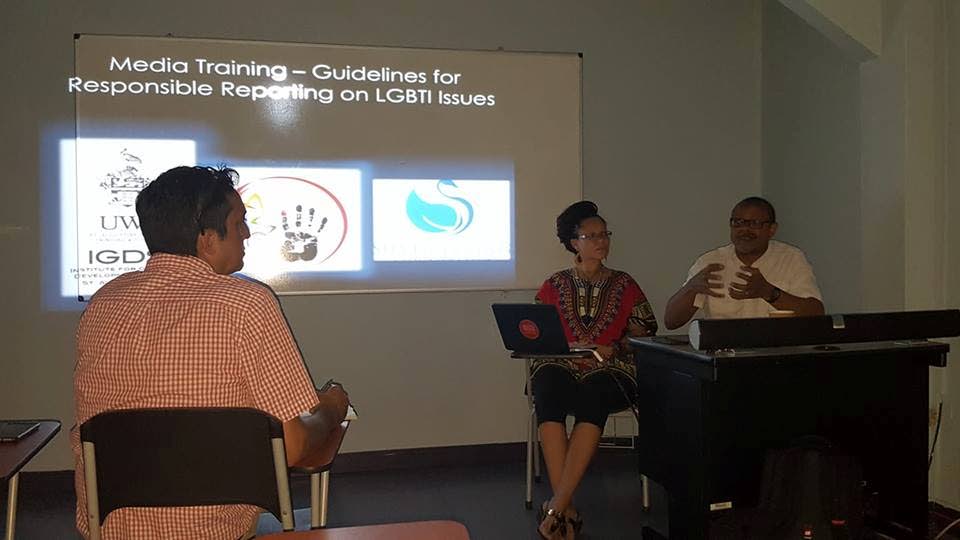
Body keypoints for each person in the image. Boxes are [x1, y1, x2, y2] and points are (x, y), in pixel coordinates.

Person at [72, 165, 350, 540]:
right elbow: (294, 447)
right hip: (215, 531)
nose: (247, 233)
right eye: (239, 224)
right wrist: (331, 408)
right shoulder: (246, 303)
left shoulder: (105, 301)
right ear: (206, 239)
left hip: (107, 528)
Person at [531, 201, 658, 539]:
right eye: (592, 235)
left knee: (595, 394)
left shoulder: (624, 283)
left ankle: (556, 507)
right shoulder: (554, 284)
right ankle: (566, 507)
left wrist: (614, 347)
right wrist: (562, 351)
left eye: (605, 235)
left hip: (611, 367)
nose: (602, 241)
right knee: (547, 388)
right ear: (574, 243)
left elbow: (646, 329)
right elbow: (534, 331)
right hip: (561, 363)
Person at [663, 196, 824, 329]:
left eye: (754, 224)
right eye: (738, 223)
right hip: (724, 356)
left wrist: (769, 292)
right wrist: (690, 289)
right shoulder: (710, 262)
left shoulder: (791, 258)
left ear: (772, 229)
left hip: (777, 356)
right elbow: (671, 322)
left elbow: (816, 315)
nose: (744, 230)